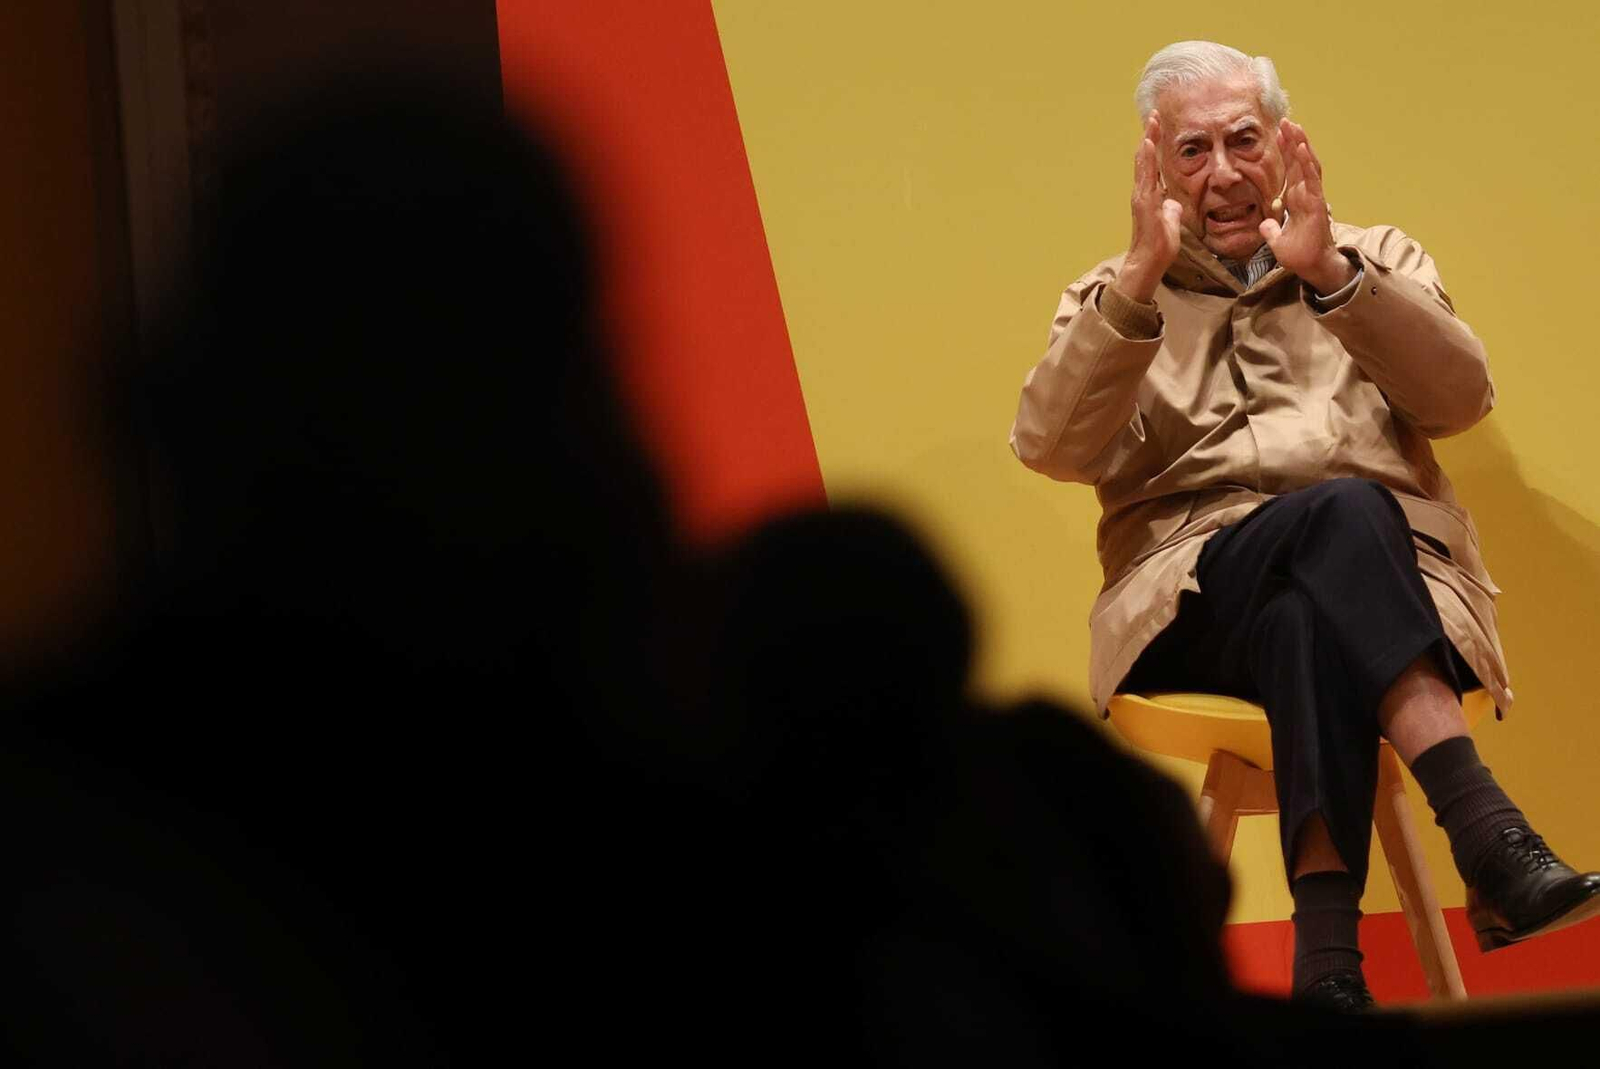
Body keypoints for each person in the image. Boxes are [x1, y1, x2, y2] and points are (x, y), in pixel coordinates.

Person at [1009, 40, 1600, 1009]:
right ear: (1155, 164)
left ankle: (1325, 969)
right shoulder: (1110, 294)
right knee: (1341, 512)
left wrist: (1333, 276)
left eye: (1243, 139)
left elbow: (1460, 399)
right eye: (1192, 150)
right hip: (1190, 605)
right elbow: (1049, 446)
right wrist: (1138, 283)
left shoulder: (1375, 255)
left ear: (1283, 143)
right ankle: (1488, 835)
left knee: (1308, 604)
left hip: (1385, 601)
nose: (1224, 172)